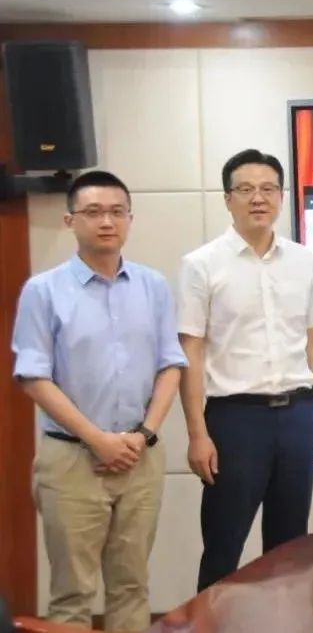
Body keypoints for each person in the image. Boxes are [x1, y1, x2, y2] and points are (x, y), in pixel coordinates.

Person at [11, 171, 186, 630]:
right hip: (72, 459)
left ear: (130, 219)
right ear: (71, 221)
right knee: (73, 593)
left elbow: (171, 365)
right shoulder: (43, 290)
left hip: (140, 456)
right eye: (93, 212)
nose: (106, 222)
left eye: (116, 212)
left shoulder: (153, 286)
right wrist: (97, 440)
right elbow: (33, 377)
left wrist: (144, 434)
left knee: (132, 586)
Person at [177, 149, 313, 592]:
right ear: (228, 199)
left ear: (282, 196)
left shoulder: (303, 260)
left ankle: (285, 621)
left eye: (268, 189)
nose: (258, 198)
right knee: (223, 546)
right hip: (235, 420)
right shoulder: (201, 264)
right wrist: (197, 433)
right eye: (245, 189)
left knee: (290, 548)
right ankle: (212, 623)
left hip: (299, 415)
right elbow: (190, 350)